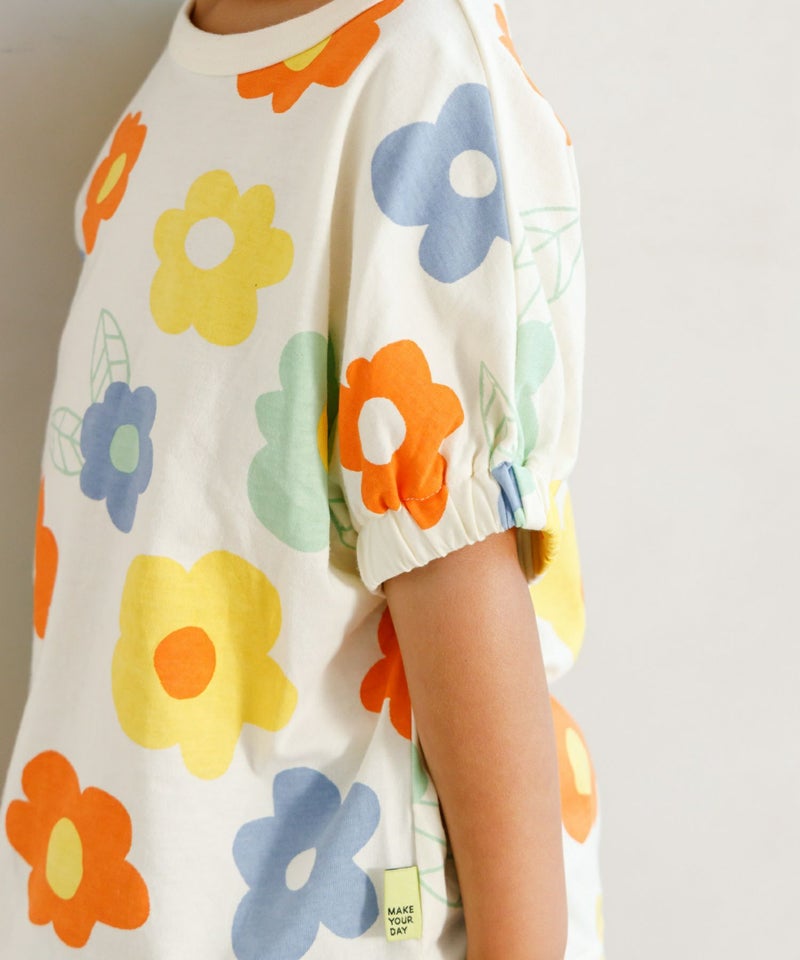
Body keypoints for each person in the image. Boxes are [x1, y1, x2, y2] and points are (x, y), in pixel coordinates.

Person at [0, 0, 604, 957]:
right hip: (124, 895)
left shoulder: (414, 77)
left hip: (345, 913)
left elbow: (457, 555)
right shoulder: (186, 80)